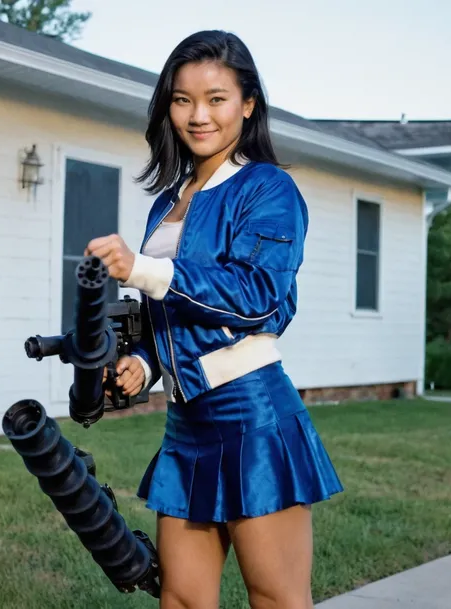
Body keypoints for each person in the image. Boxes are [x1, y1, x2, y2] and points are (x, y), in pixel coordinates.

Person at [86, 29, 343, 609]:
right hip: (186, 423)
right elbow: (172, 317)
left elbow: (256, 294)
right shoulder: (168, 199)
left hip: (252, 413)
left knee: (276, 598)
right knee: (180, 599)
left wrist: (145, 269)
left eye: (216, 98)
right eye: (182, 99)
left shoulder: (268, 189)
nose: (198, 115)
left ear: (247, 104)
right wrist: (142, 361)